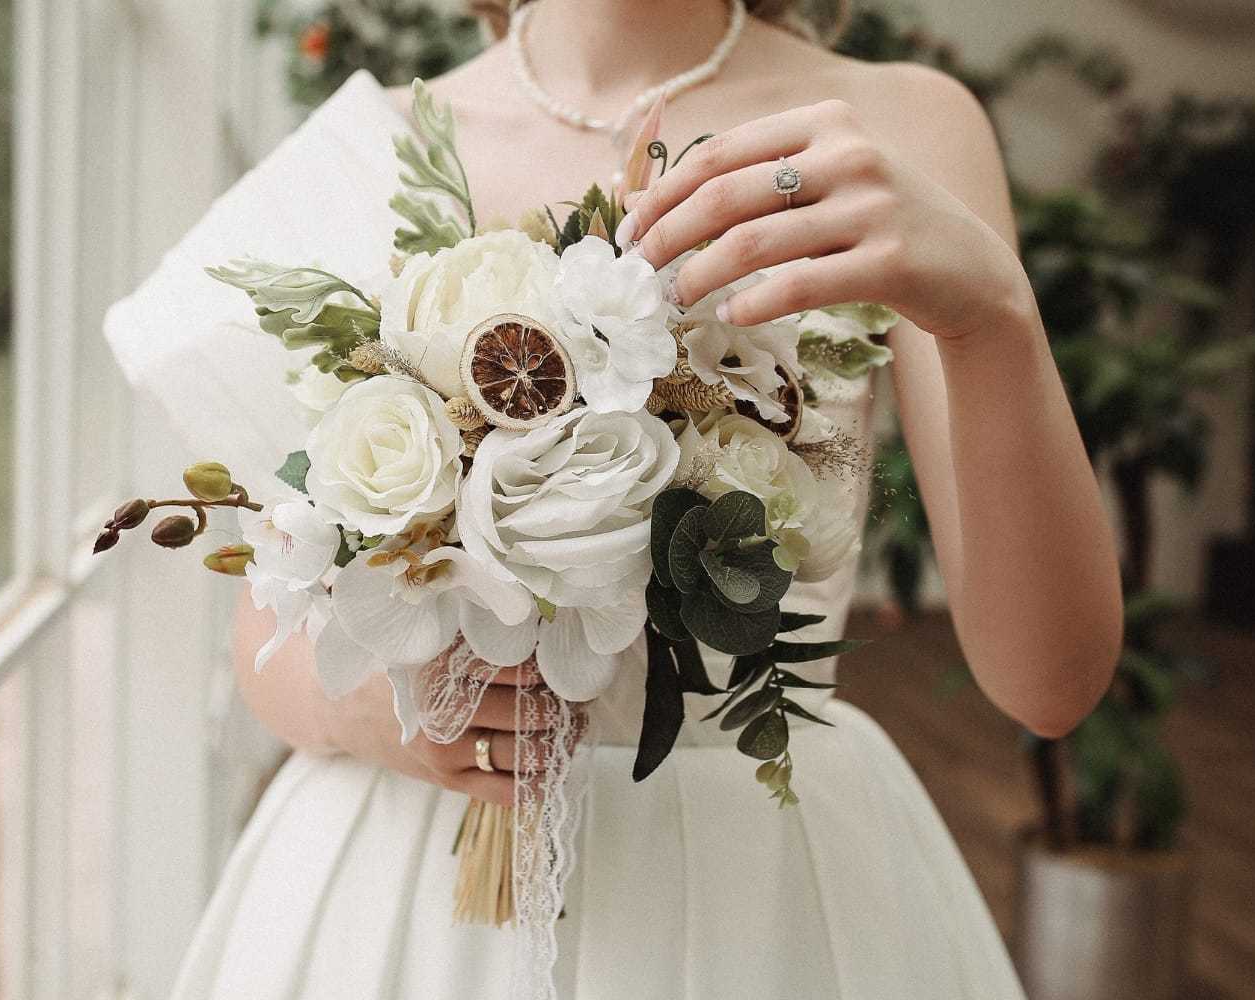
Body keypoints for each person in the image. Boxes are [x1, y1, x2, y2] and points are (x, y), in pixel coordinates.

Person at [117, 2, 1122, 996]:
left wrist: (994, 322)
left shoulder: (899, 128)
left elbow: (1050, 685)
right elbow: (266, 628)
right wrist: (388, 719)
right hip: (405, 894)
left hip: (757, 901)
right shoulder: (367, 146)